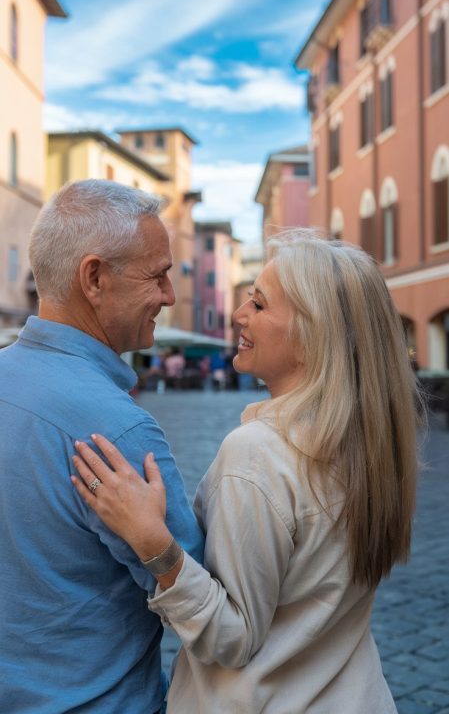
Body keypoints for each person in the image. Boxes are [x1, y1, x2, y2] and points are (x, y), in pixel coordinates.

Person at [71, 230, 422, 714]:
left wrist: (152, 542)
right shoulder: (372, 443)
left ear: (312, 333)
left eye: (258, 305)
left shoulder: (258, 453)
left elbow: (230, 639)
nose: (238, 315)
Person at [0, 180, 204, 713]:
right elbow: (201, 604)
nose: (169, 295)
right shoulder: (118, 430)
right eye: (157, 275)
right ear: (94, 278)